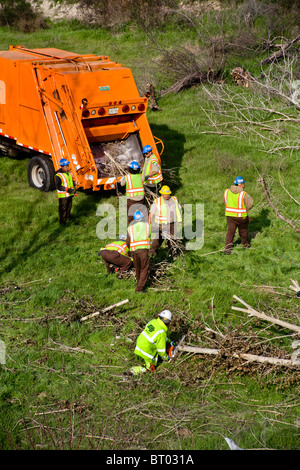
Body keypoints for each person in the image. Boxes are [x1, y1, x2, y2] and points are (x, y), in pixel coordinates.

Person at [128, 310, 173, 376]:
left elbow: (155, 335)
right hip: (146, 349)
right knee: (150, 369)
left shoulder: (153, 321)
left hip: (140, 342)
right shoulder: (162, 333)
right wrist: (167, 359)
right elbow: (161, 350)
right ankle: (132, 371)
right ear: (168, 322)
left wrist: (169, 341)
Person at [149, 185, 182, 257]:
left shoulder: (174, 199)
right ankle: (153, 252)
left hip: (172, 223)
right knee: (158, 240)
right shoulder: (157, 201)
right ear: (161, 194)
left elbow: (178, 210)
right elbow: (151, 213)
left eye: (168, 194)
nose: (166, 196)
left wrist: (179, 221)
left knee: (173, 239)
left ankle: (174, 253)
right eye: (165, 195)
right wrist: (149, 223)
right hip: (162, 225)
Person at [224, 176, 253, 254]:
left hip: (229, 216)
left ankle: (227, 249)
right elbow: (250, 204)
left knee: (230, 232)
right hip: (241, 216)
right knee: (243, 231)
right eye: (243, 183)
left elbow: (225, 201)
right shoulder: (244, 194)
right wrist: (244, 209)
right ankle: (245, 245)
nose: (244, 184)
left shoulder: (227, 191)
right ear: (240, 185)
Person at [127, 210, 151, 293]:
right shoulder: (147, 225)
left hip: (134, 251)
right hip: (143, 250)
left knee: (138, 268)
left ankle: (139, 283)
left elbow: (128, 240)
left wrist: (129, 250)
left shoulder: (130, 227)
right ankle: (139, 288)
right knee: (144, 268)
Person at [55, 158, 77, 225]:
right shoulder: (58, 175)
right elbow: (58, 186)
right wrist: (66, 189)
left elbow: (70, 181)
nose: (67, 167)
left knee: (69, 207)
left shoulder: (69, 172)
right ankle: (62, 222)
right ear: (62, 166)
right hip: (63, 195)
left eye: (68, 166)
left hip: (70, 194)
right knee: (63, 209)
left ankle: (68, 217)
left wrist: (74, 183)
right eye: (66, 166)